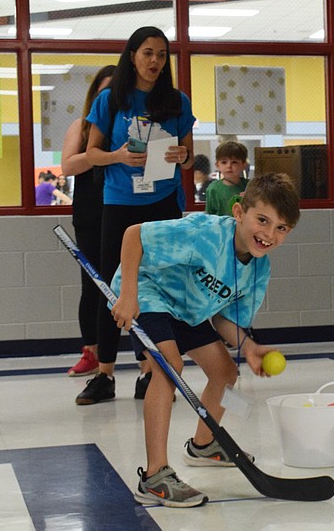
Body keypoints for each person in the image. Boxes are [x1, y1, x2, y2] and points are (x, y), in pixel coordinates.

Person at [110, 173, 300, 508]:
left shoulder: (259, 268)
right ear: (240, 212)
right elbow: (133, 235)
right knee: (169, 367)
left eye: (281, 228)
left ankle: (203, 444)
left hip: (188, 309)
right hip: (149, 290)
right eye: (262, 220)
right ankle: (154, 476)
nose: (269, 234)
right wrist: (127, 295)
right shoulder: (205, 232)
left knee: (226, 373)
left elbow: (224, 319)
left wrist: (249, 347)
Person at [78, 26, 196, 406]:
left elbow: (189, 155)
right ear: (132, 56)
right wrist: (118, 157)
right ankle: (105, 373)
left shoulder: (177, 101)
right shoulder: (111, 100)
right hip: (119, 202)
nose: (155, 62)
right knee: (111, 287)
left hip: (163, 201)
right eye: (148, 53)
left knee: (159, 287)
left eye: (161, 55)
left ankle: (151, 370)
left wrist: (183, 156)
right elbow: (91, 153)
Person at [60, 64, 117, 377]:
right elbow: (67, 166)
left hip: (122, 208)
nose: (108, 97)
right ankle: (91, 351)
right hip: (90, 212)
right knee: (92, 283)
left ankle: (142, 359)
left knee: (127, 284)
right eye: (103, 91)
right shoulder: (81, 125)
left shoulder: (129, 125)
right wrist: (103, 155)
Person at [205, 140, 248, 216]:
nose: (229, 166)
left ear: (244, 165)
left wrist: (252, 198)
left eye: (234, 162)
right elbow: (209, 217)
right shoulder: (213, 189)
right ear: (217, 165)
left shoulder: (251, 187)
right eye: (224, 162)